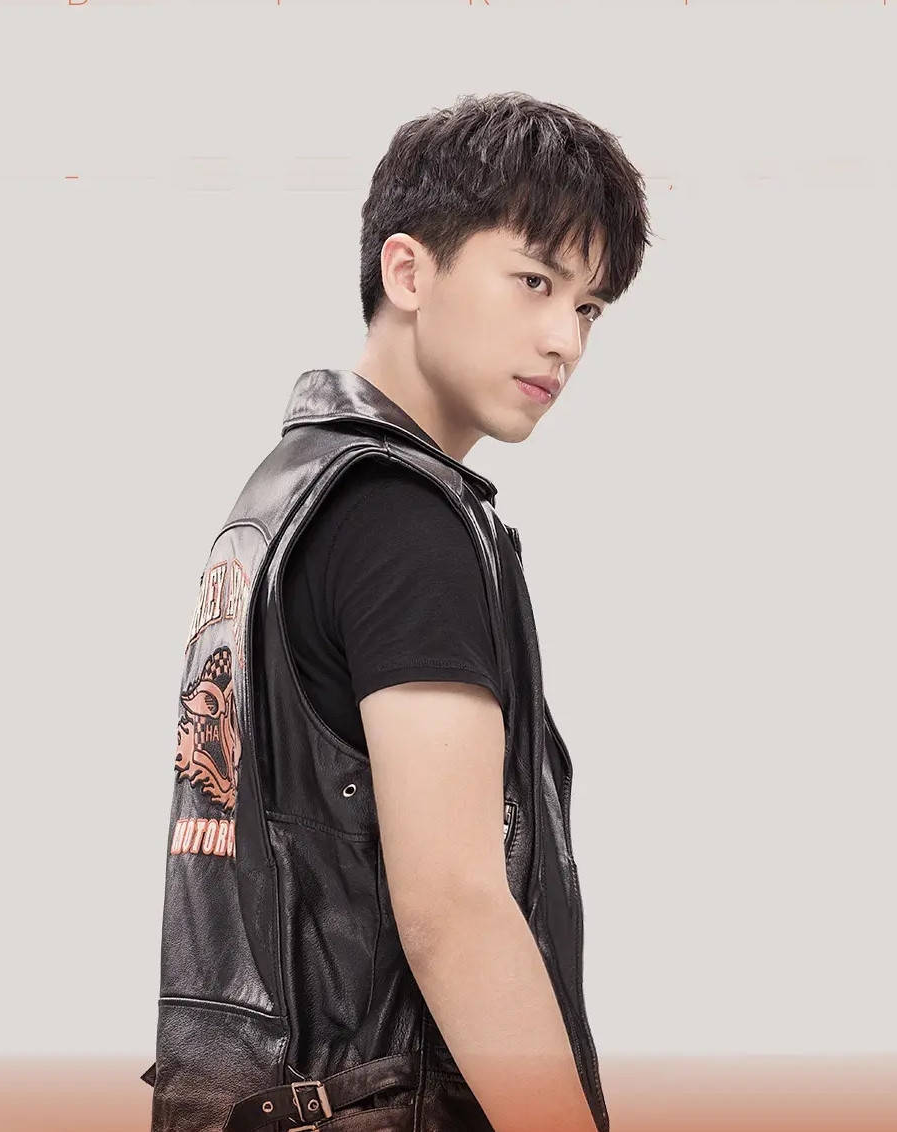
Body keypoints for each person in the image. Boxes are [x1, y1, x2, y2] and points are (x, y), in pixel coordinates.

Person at [143, 91, 652, 1132]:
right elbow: (454, 907)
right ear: (409, 271)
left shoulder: (279, 499)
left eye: (590, 307)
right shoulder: (402, 522)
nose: (564, 339)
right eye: (534, 281)